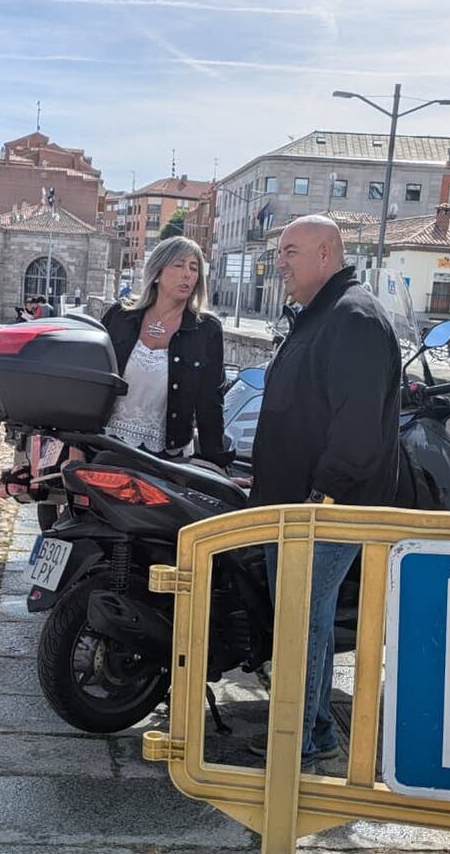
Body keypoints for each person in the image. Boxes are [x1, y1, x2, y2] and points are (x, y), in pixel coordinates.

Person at [249, 216, 400, 768]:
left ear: (326, 254)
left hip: (323, 509)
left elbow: (356, 428)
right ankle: (311, 727)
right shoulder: (322, 314)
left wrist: (324, 498)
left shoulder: (353, 317)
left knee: (301, 617)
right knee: (300, 617)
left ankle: (303, 740)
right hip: (295, 503)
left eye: (290, 251)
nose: (280, 263)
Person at [100, 235, 230, 464]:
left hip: (167, 459)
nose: (187, 274)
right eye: (179, 265)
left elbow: (210, 403)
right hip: (105, 447)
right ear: (157, 272)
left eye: (194, 268)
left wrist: (217, 466)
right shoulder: (120, 316)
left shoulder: (207, 329)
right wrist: (76, 446)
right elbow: (93, 382)